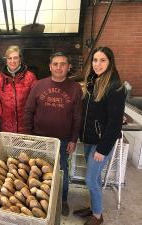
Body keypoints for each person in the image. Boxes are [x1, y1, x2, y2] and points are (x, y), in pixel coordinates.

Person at [24, 52, 82, 216]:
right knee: (37, 172)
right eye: (55, 64)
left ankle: (62, 200)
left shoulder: (75, 88)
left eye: (63, 64)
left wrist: (73, 139)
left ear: (68, 67)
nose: (59, 67)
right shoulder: (38, 85)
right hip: (39, 138)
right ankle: (39, 201)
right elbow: (28, 111)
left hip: (62, 140)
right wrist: (29, 136)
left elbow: (78, 116)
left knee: (61, 172)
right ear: (50, 67)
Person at [73, 47, 126, 225]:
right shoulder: (92, 81)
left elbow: (114, 123)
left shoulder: (115, 87)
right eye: (95, 60)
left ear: (110, 62)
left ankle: (97, 216)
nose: (98, 64)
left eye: (102, 60)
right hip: (89, 138)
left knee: (90, 179)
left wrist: (102, 150)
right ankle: (93, 207)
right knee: (94, 179)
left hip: (101, 142)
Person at [0, 45, 37, 134]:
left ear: (20, 60)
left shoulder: (30, 77)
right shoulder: (0, 78)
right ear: (6, 61)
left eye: (15, 58)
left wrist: (31, 118)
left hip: (25, 127)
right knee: (9, 148)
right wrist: (1, 115)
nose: (12, 61)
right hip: (7, 126)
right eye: (9, 58)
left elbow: (36, 100)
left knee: (25, 148)